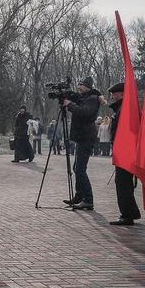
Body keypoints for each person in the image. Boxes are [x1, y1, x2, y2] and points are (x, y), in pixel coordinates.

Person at [106, 82, 143, 226]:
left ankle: (127, 215)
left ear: (122, 94)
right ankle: (132, 212)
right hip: (123, 150)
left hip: (125, 151)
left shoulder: (125, 109)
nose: (112, 96)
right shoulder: (122, 108)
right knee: (123, 183)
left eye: (114, 94)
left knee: (123, 184)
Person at [62, 76, 101, 210]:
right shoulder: (85, 97)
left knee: (80, 169)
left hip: (86, 137)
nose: (79, 87)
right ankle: (79, 196)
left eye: (81, 85)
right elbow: (77, 101)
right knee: (76, 168)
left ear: (88, 86)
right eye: (78, 84)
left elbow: (84, 112)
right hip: (82, 137)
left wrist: (69, 104)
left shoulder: (93, 99)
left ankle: (88, 200)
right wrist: (67, 95)